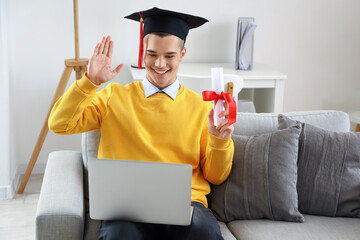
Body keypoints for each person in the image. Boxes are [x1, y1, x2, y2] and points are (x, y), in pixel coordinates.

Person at [48, 7, 234, 240]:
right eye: (152, 54)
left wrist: (219, 141)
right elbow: (59, 124)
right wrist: (89, 83)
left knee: (202, 230)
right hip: (126, 209)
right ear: (142, 52)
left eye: (169, 56)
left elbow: (216, 176)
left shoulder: (201, 108)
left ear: (183, 54)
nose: (159, 63)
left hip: (186, 205)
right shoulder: (113, 97)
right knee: (119, 235)